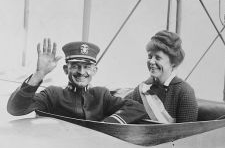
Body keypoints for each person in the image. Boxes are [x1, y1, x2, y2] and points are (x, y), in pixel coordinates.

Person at [7, 38, 148, 124]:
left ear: (94, 71)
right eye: (75, 66)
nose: (81, 72)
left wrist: (107, 124)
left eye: (87, 67)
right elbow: (15, 109)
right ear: (65, 69)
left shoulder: (101, 95)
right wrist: (39, 74)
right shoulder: (53, 94)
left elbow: (137, 108)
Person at [126, 30, 198, 123]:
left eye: (158, 58)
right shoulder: (141, 89)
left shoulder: (184, 92)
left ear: (173, 63)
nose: (151, 61)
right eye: (150, 56)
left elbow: (187, 133)